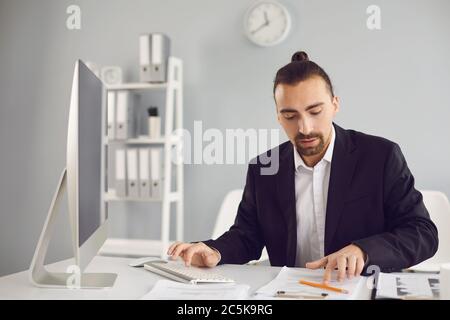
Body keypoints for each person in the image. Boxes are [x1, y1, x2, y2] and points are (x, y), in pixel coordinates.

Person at [167, 51, 438, 284]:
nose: (304, 127)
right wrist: (216, 250)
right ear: (278, 116)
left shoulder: (380, 156)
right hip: (289, 292)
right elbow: (247, 236)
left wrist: (363, 251)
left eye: (315, 111)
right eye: (290, 115)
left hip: (359, 289)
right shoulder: (264, 168)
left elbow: (422, 233)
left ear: (334, 104)